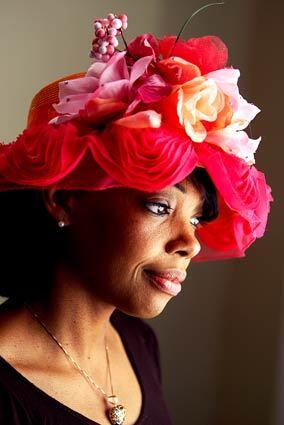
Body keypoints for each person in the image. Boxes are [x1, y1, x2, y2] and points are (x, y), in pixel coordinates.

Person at [0, 10, 272, 425]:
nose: (191, 243)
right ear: (65, 200)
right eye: (160, 207)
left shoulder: (136, 340)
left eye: (197, 219)